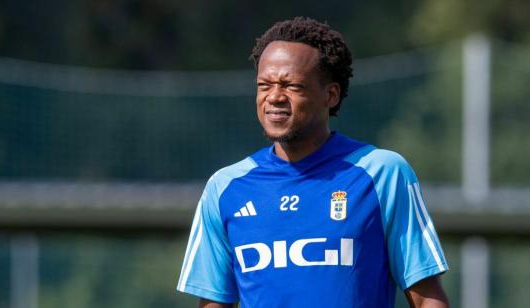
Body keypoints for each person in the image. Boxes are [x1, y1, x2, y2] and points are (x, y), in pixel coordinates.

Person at [177, 17, 449, 308]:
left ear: (330, 95)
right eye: (264, 85)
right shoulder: (224, 188)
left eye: (291, 86)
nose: (275, 97)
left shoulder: (382, 173)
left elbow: (427, 300)